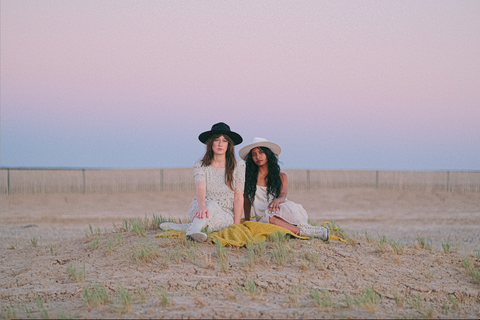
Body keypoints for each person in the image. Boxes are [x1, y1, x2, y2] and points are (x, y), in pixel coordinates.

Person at [159, 122, 245, 242]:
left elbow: (238, 198)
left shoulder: (239, 165)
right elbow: (200, 188)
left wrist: (236, 224)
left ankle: (188, 228)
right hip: (201, 207)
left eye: (224, 140)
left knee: (213, 207)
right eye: (216, 140)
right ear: (211, 144)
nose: (220, 144)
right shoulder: (200, 165)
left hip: (224, 214)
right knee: (211, 205)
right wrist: (202, 206)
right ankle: (194, 229)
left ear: (229, 145)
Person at [239, 137, 329, 240]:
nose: (258, 157)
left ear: (268, 154)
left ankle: (308, 230)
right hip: (265, 216)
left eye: (261, 152)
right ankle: (308, 232)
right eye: (254, 154)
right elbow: (246, 199)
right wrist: (246, 219)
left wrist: (277, 200)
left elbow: (283, 195)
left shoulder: (281, 176)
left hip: (280, 209)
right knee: (270, 217)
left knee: (283, 209)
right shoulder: (248, 178)